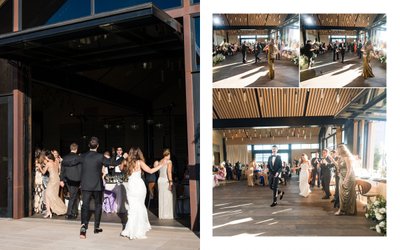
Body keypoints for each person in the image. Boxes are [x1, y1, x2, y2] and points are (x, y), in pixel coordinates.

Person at [120, 147, 163, 239]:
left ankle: (130, 229)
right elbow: (150, 171)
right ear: (139, 153)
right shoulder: (139, 162)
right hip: (139, 186)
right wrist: (161, 165)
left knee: (132, 208)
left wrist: (125, 158)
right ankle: (139, 229)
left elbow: (120, 169)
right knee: (140, 206)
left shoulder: (126, 162)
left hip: (131, 186)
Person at [79, 137, 110, 239]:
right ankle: (96, 227)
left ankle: (83, 227)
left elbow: (71, 163)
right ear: (98, 146)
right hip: (97, 185)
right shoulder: (100, 156)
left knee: (85, 205)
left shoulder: (83, 156)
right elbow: (112, 163)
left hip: (86, 185)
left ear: (89, 146)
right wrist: (123, 158)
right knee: (98, 205)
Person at [39, 150, 67, 218]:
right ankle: (49, 212)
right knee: (50, 195)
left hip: (52, 180)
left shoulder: (49, 163)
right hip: (57, 179)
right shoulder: (56, 161)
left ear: (47, 157)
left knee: (49, 195)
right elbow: (59, 169)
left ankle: (62, 209)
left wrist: (39, 166)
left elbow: (43, 172)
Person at [60, 143, 82, 220]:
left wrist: (61, 179)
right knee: (73, 196)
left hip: (67, 179)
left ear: (70, 148)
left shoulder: (65, 158)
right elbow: (80, 170)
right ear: (76, 149)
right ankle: (69, 213)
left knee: (74, 195)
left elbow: (62, 170)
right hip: (75, 180)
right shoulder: (79, 158)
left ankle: (74, 212)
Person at [335, 144, 357, 216]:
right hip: (342, 176)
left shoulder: (347, 157)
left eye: (337, 149)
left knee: (349, 194)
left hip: (349, 177)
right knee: (342, 194)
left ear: (341, 150)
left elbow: (349, 170)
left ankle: (348, 210)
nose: (336, 151)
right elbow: (339, 167)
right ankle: (343, 210)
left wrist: (346, 179)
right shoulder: (341, 158)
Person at [158, 149, 175, 219]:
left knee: (161, 197)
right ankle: (167, 215)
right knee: (168, 197)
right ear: (168, 154)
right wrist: (171, 181)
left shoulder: (160, 161)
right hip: (166, 180)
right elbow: (169, 172)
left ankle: (162, 215)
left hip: (160, 180)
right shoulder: (169, 161)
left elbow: (159, 172)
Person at [33, 149, 45, 214]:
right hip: (39, 179)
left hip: (38, 179)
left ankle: (37, 208)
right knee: (39, 194)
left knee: (37, 193)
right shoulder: (40, 163)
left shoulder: (39, 163)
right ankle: (38, 208)